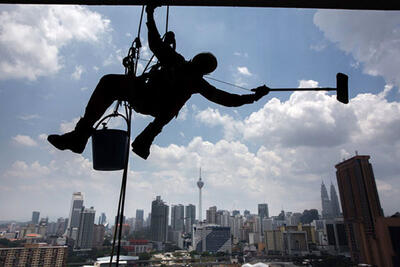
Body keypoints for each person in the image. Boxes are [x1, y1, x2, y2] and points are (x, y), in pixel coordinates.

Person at [48, 4, 270, 160]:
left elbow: (154, 42)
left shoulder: (179, 64)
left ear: (196, 60)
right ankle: (78, 137)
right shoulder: (196, 81)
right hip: (150, 103)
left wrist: (150, 14)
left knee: (108, 83)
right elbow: (227, 99)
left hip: (144, 97)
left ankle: (79, 136)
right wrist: (254, 97)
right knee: (110, 83)